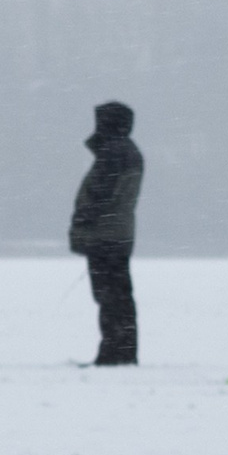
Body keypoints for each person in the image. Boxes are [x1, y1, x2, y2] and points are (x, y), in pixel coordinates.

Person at [69, 102, 143, 365]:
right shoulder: (128, 151)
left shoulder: (113, 153)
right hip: (119, 235)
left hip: (104, 237)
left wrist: (82, 219)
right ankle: (123, 352)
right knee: (120, 296)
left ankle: (113, 354)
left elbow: (100, 195)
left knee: (110, 297)